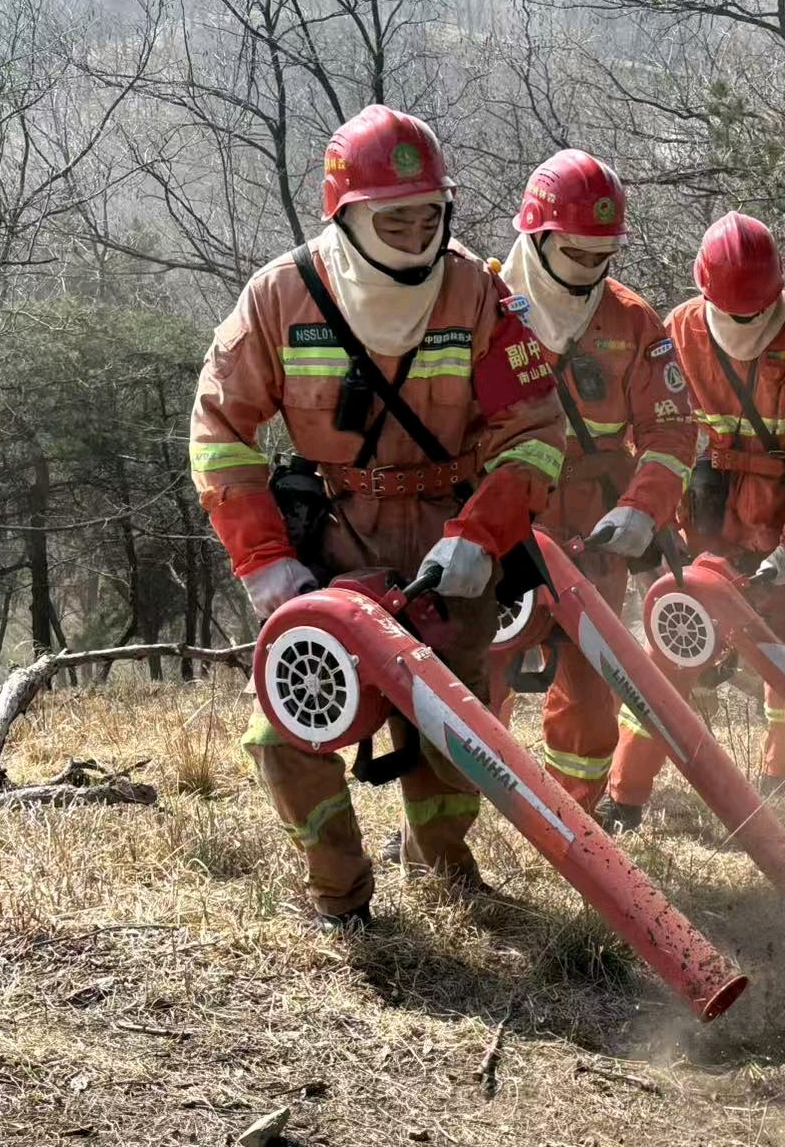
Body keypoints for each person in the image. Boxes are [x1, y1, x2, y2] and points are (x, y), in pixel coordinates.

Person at [190, 105, 565, 931]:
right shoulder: (282, 294)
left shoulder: (479, 293)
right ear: (346, 214)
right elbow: (219, 429)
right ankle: (341, 897)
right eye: (393, 216)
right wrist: (264, 561)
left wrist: (480, 537)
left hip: (450, 533)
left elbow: (534, 430)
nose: (414, 231)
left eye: (429, 214)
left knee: (452, 727)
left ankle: (447, 873)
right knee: (284, 731)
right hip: (331, 537)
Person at [606, 211, 785, 829]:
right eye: (734, 310)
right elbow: (662, 431)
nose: (745, 321)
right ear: (706, 293)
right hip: (713, 514)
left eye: (756, 310)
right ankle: (627, 796)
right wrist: (659, 517)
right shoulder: (681, 328)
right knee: (678, 643)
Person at [497, 150, 696, 812]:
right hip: (500, 516)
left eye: (601, 255)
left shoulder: (633, 321)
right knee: (473, 674)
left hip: (596, 523)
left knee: (589, 692)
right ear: (536, 234)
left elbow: (670, 431)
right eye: (575, 252)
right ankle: (443, 828)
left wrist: (644, 510)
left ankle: (576, 823)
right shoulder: (482, 307)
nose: (589, 269)